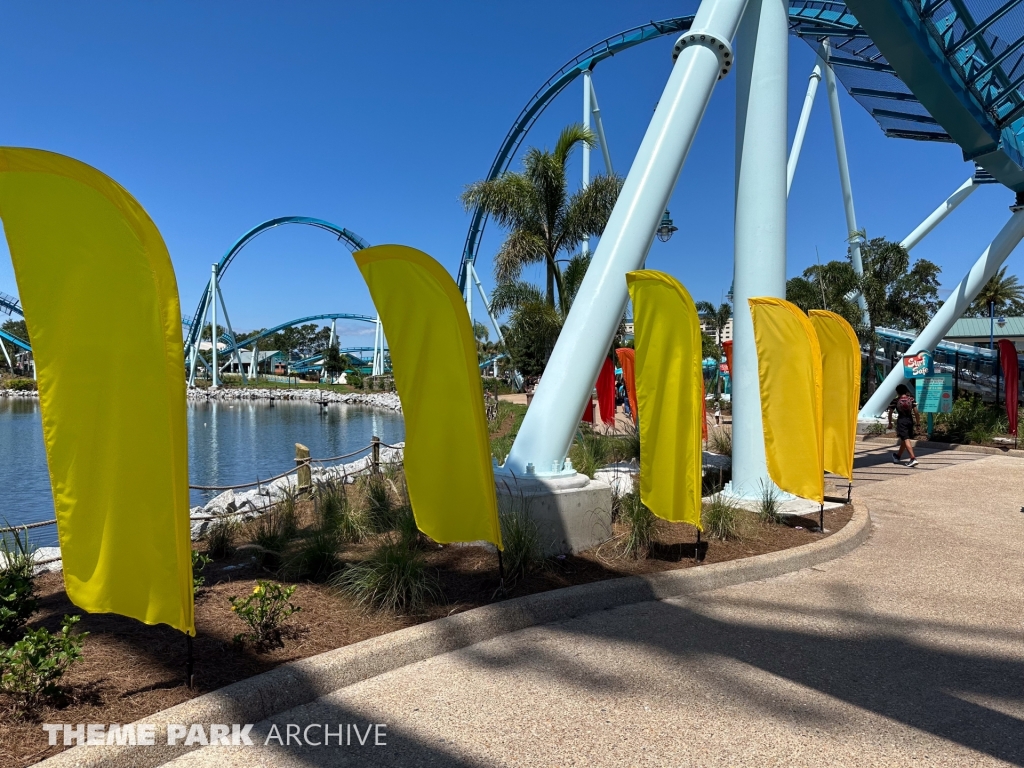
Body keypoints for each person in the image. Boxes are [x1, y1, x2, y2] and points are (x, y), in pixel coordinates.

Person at [891, 383, 921, 467]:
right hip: (910, 420)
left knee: (906, 439)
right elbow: (916, 412)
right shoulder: (911, 399)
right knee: (904, 439)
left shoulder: (896, 400)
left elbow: (890, 412)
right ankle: (898, 456)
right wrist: (918, 424)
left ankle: (913, 458)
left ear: (897, 392)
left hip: (901, 420)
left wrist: (890, 423)